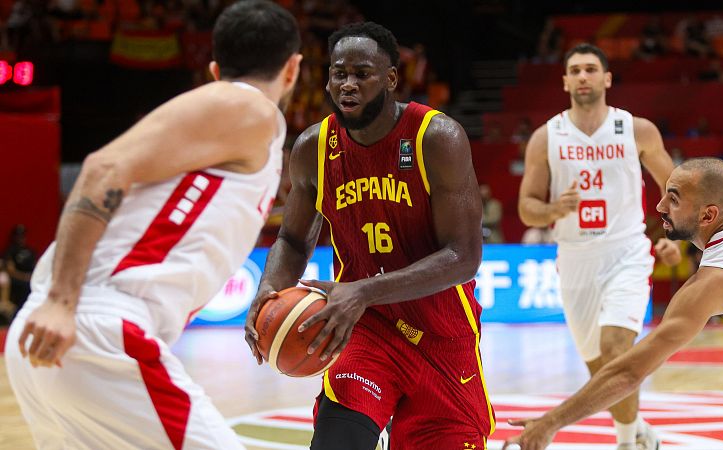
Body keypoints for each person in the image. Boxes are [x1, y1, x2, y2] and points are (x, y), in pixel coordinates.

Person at [5, 1, 301, 448]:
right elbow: (103, 168)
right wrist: (63, 304)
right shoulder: (246, 105)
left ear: (214, 68)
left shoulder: (226, 129)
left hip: (63, 337)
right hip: (94, 328)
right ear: (294, 69)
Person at [244, 22, 494, 450]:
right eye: (339, 73)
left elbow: (464, 256)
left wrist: (362, 290)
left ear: (392, 78)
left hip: (441, 334)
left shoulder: (436, 138)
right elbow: (293, 240)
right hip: (363, 328)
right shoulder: (313, 148)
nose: (348, 84)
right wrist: (270, 289)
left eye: (362, 73)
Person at [503, 158, 723, 450]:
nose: (659, 207)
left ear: (708, 216)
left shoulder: (715, 281)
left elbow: (629, 372)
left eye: (674, 199)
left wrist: (550, 423)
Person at [517, 43, 681, 450]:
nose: (583, 76)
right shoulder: (546, 137)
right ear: (565, 81)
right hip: (574, 259)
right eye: (575, 70)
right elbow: (526, 209)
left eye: (591, 69)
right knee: (601, 370)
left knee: (615, 350)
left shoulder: (635, 129)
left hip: (626, 252)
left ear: (607, 78)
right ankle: (639, 428)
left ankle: (628, 443)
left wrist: (671, 237)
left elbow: (677, 188)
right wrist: (555, 208)